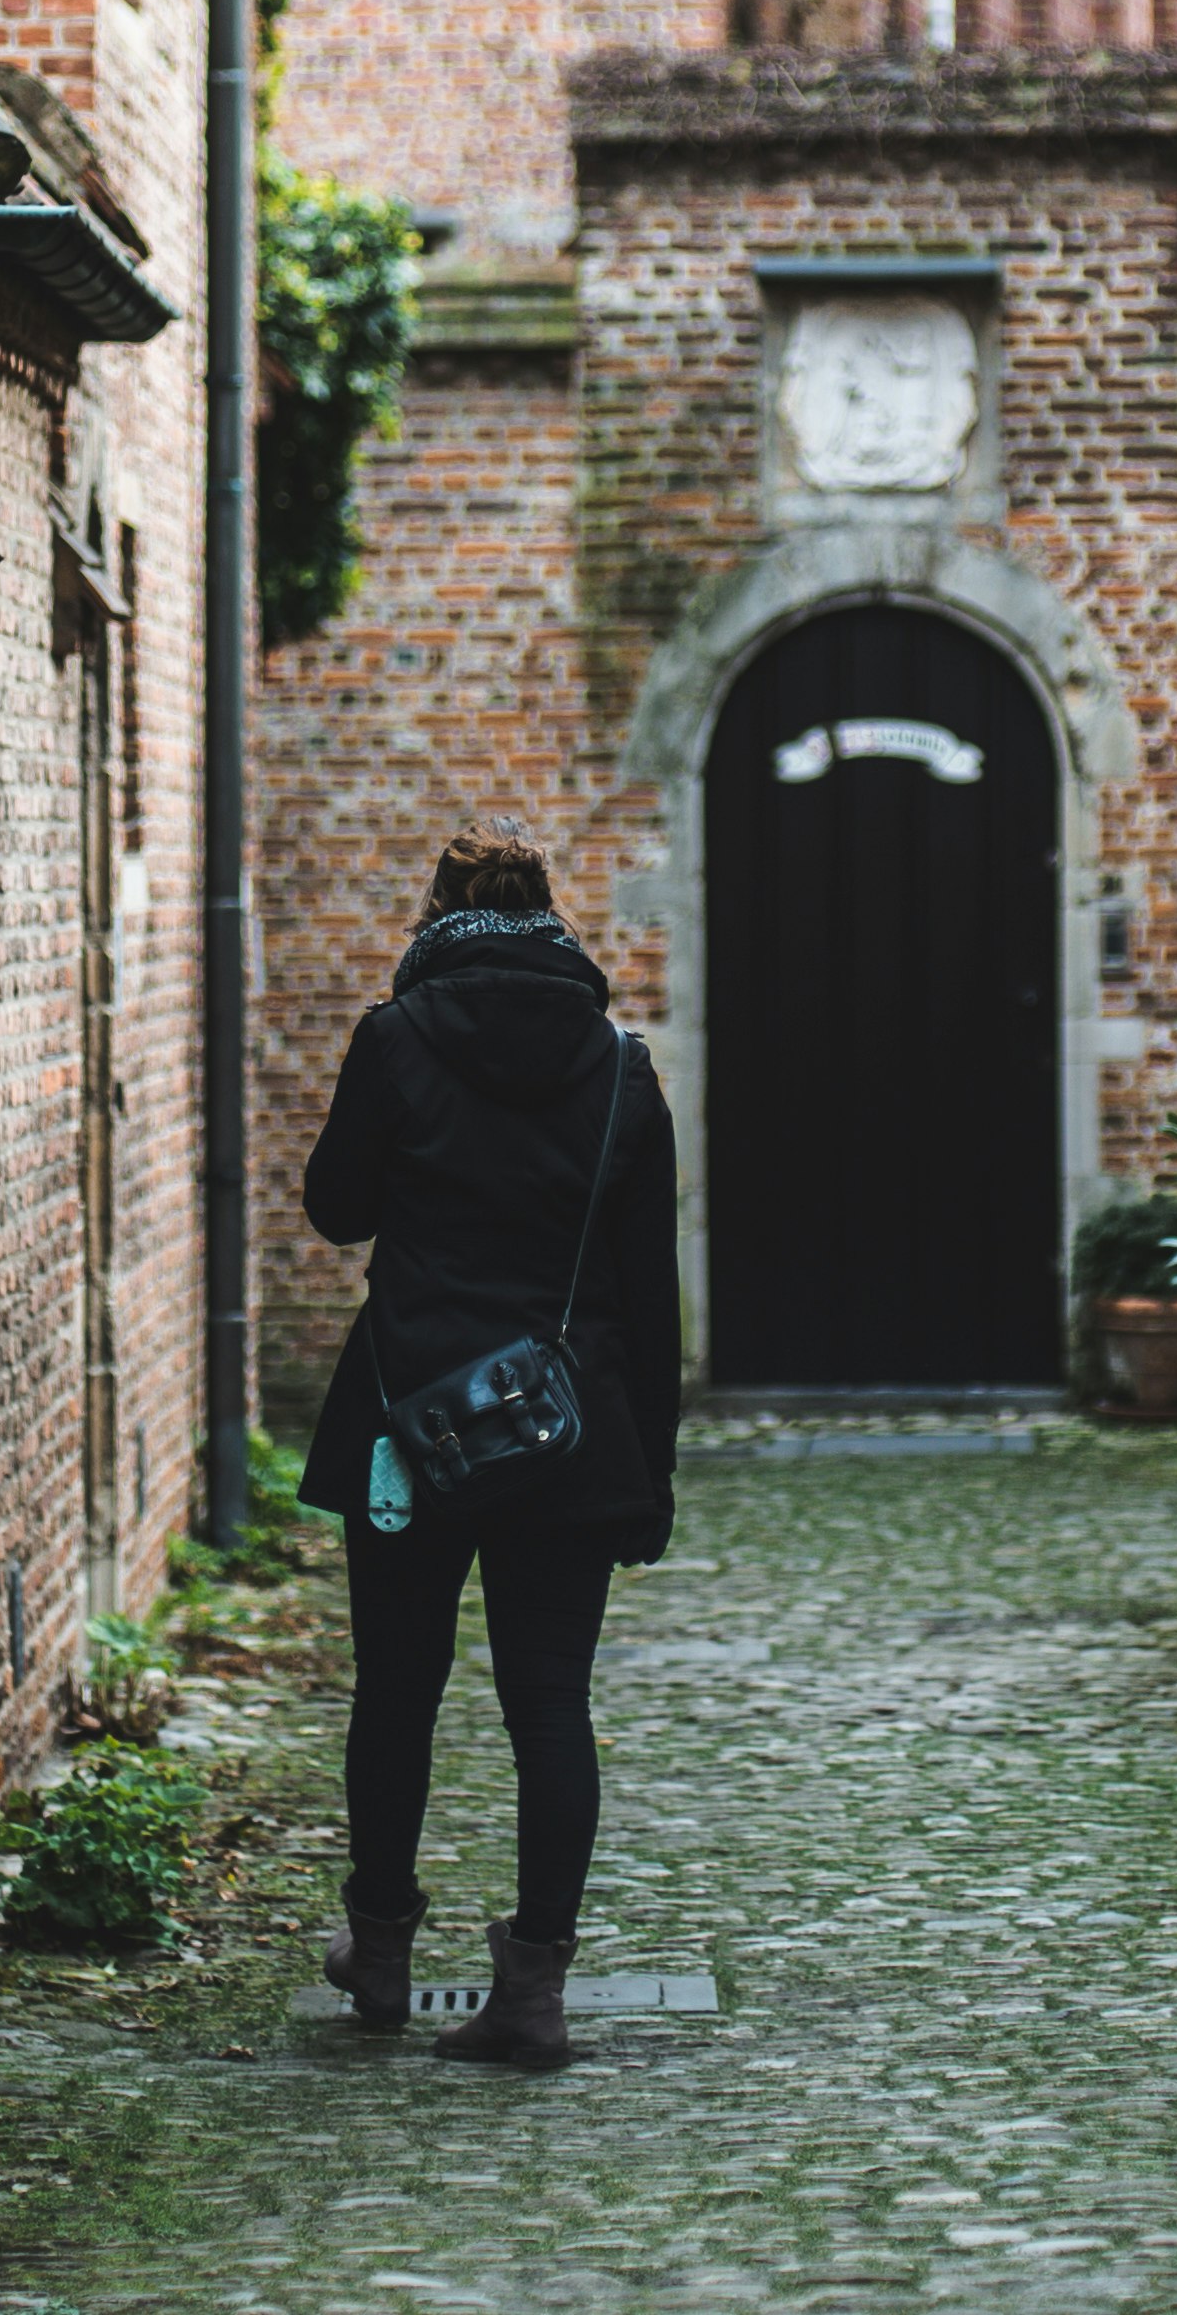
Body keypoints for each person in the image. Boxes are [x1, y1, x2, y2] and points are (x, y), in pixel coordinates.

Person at [297, 827, 679, 2071]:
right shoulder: (621, 1069)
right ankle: (532, 1994)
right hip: (568, 1437)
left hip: (409, 1421)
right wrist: (651, 1471)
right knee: (548, 1707)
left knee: (397, 1694)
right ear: (553, 922)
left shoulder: (393, 1039)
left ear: (437, 915)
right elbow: (649, 1289)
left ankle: (384, 1957)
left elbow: (338, 1210)